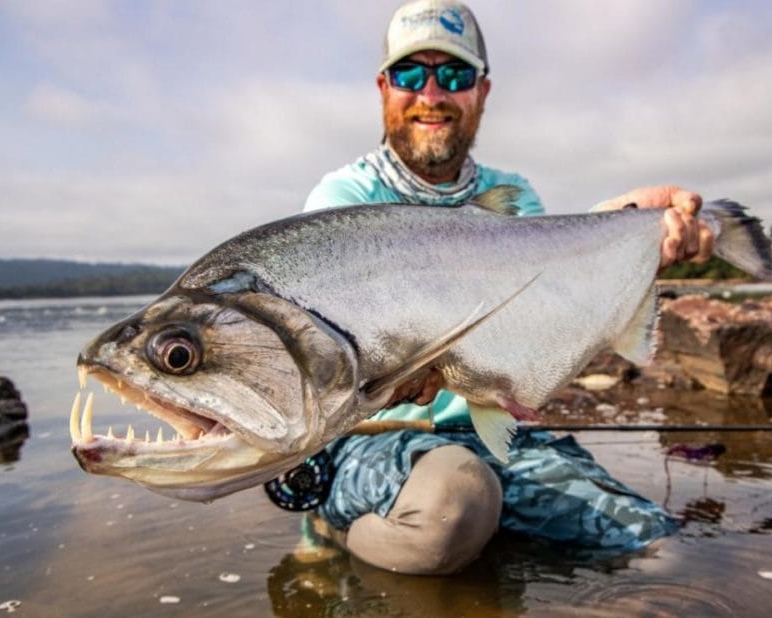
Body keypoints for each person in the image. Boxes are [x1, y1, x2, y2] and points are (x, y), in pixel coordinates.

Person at [299, 0, 713, 575]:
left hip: (499, 430)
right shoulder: (342, 201)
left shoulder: (511, 194)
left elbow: (543, 301)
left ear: (482, 92)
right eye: (411, 73)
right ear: (383, 87)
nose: (432, 93)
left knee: (657, 548)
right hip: (373, 440)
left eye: (455, 74)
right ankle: (335, 534)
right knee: (456, 506)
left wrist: (621, 227)